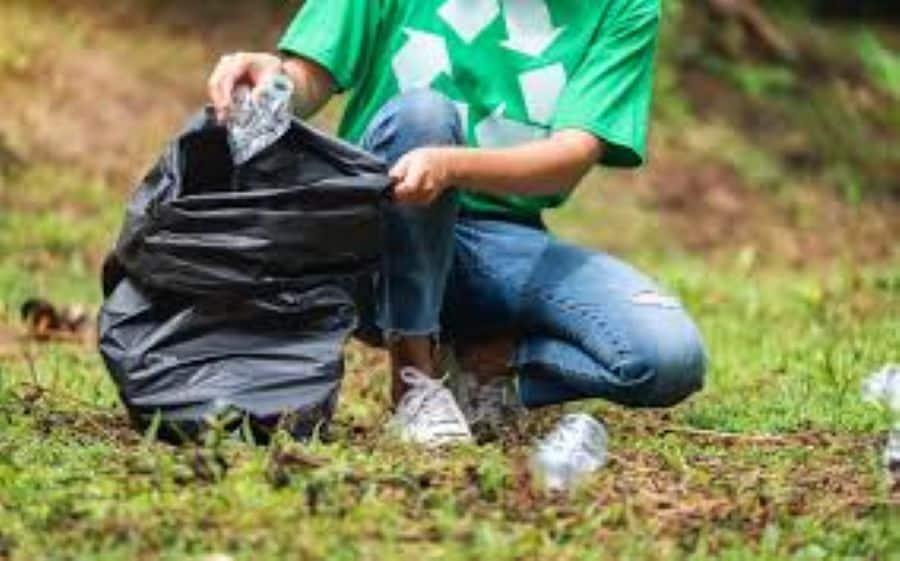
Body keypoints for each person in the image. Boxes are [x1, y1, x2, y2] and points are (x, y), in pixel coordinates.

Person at [207, 0, 707, 447]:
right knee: (423, 114)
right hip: (370, 234)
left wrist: (451, 167)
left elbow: (570, 155)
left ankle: (486, 365)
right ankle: (414, 380)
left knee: (667, 357)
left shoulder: (626, 7)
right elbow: (310, 77)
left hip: (498, 244)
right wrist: (270, 83)